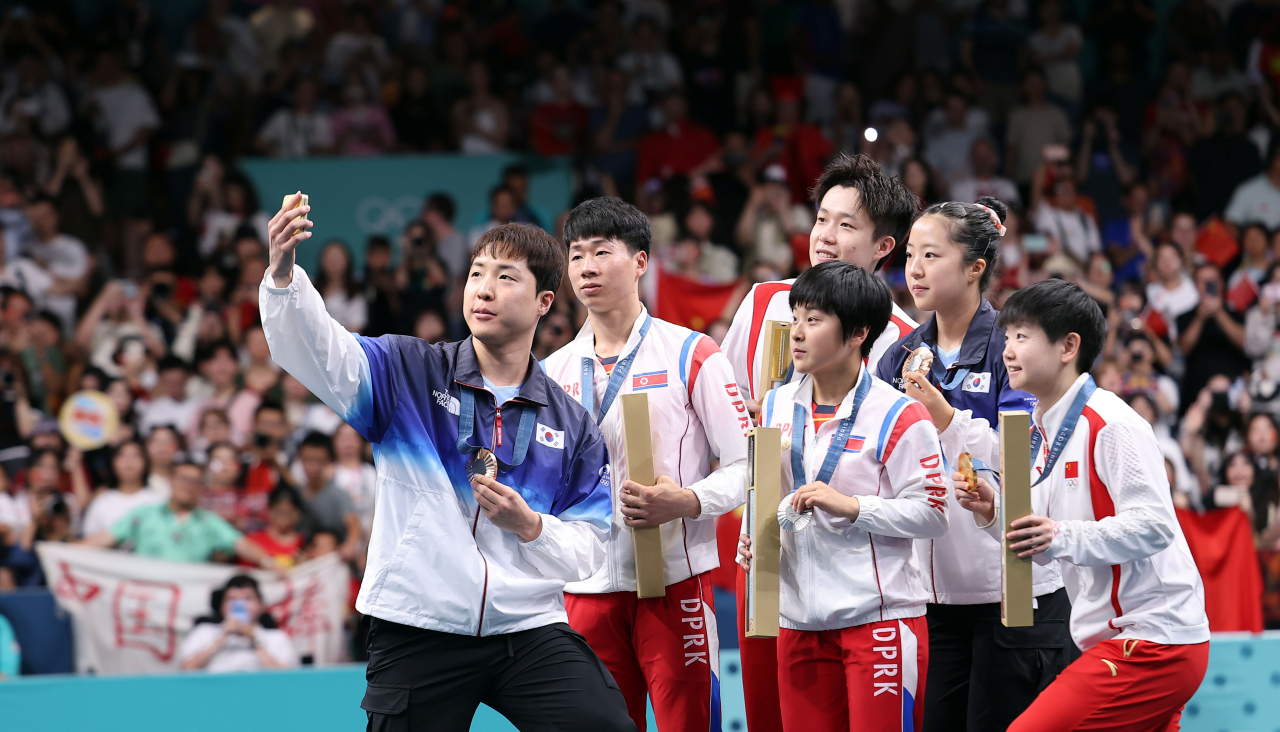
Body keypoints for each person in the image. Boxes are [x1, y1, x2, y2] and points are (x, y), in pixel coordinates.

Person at [261, 193, 634, 731]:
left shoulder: (572, 423)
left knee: (604, 725)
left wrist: (531, 527)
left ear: (544, 302)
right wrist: (284, 279)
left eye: (506, 277)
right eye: (477, 273)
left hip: (526, 627)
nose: (484, 288)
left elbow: (589, 548)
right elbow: (319, 351)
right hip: (419, 624)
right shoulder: (408, 371)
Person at [719, 152, 919, 732]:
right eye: (821, 219)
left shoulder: (904, 341)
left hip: (856, 567)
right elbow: (724, 418)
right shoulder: (763, 303)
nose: (825, 236)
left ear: (884, 246)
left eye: (846, 224)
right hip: (765, 549)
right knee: (767, 713)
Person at [954, 279, 1210, 731]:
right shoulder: (1040, 431)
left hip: (1152, 639)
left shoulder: (1111, 423)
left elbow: (1154, 526)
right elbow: (1040, 541)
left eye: (1022, 336)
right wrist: (993, 510)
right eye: (1006, 337)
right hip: (1117, 639)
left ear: (1068, 346)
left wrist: (1058, 534)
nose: (1007, 350)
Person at [542, 198, 748, 730]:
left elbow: (748, 464)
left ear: (639, 262)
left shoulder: (692, 353)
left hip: (674, 585)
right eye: (576, 255)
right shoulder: (549, 373)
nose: (586, 267)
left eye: (601, 252)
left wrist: (689, 500)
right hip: (584, 591)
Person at [876, 198, 1075, 731]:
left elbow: (1029, 458)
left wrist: (946, 418)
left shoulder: (1013, 348)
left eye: (931, 255)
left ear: (974, 268)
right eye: (910, 255)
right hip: (931, 599)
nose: (914, 269)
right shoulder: (897, 358)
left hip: (1013, 592)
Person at [737, 261, 948, 732]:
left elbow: (934, 514)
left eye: (813, 320)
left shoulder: (900, 414)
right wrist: (753, 537)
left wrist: (853, 507)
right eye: (795, 317)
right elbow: (764, 489)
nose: (797, 332)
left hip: (878, 624)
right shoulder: (774, 405)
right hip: (797, 624)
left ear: (857, 333)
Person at [81, 460, 275, 568]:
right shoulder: (143, 514)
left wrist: (271, 564)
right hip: (146, 596)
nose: (187, 486)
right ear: (171, 481)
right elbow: (105, 538)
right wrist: (67, 551)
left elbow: (241, 544)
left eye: (194, 482)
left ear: (201, 488)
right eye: (183, 479)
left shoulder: (209, 521)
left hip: (186, 602)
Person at [179, 575, 298, 672]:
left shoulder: (276, 637)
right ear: (222, 606)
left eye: (248, 599)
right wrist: (222, 637)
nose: (240, 605)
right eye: (232, 599)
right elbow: (187, 670)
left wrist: (254, 639)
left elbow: (285, 678)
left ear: (261, 605)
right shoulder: (204, 631)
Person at [295, 431, 361, 562]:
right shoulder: (296, 492)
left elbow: (353, 524)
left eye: (319, 461)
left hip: (330, 560)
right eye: (307, 459)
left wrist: (350, 546)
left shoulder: (338, 495)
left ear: (330, 462)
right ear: (299, 458)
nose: (312, 466)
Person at [81, 440, 162, 537]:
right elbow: (89, 538)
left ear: (146, 462)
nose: (129, 461)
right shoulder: (102, 501)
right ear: (113, 462)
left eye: (136, 455)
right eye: (122, 455)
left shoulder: (158, 501)